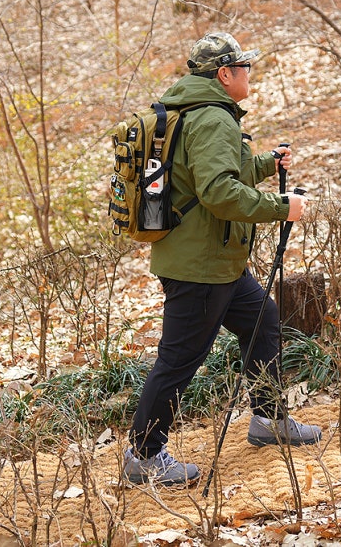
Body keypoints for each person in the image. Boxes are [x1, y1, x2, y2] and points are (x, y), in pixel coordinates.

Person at [123, 32, 322, 486]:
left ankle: (268, 421)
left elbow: (211, 175)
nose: (250, 73)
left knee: (261, 319)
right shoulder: (212, 117)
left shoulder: (193, 110)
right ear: (224, 74)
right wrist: (280, 207)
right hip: (202, 267)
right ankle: (144, 454)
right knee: (179, 359)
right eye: (243, 67)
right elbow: (217, 193)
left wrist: (267, 163)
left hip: (218, 262)